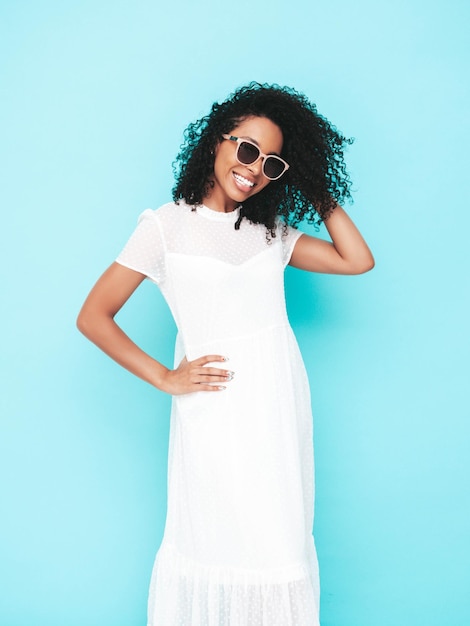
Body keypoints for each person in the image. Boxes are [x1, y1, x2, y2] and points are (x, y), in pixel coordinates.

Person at [77, 82, 374, 626]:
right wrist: (164, 377)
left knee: (279, 548)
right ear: (217, 141)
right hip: (214, 416)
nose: (255, 168)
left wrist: (316, 185)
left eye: (274, 164)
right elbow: (93, 315)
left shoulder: (270, 233)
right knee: (216, 545)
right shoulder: (164, 227)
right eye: (247, 150)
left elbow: (357, 260)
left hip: (276, 410)